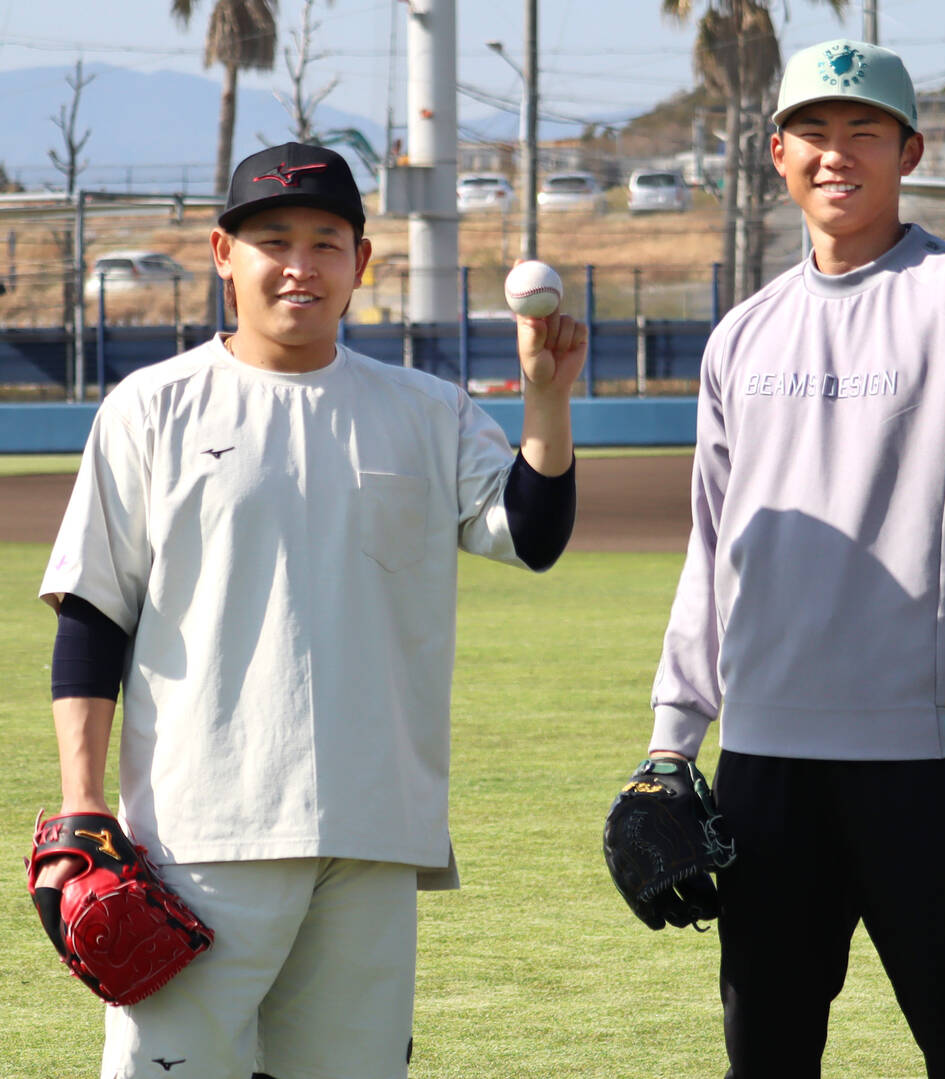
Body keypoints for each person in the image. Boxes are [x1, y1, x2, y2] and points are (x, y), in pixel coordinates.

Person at [35, 142, 585, 1079]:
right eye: (274, 240)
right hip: (199, 833)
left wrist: (545, 397)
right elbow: (93, 615)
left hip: (373, 829)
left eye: (326, 242)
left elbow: (531, 533)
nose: (301, 264)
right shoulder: (151, 408)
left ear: (360, 262)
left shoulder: (426, 410)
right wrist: (83, 804)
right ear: (223, 253)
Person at [644, 39, 945, 1078]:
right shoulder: (742, 335)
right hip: (765, 764)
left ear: (909, 153)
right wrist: (673, 744)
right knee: (766, 1057)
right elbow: (714, 547)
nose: (836, 153)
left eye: (864, 132)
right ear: (777, 153)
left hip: (925, 757)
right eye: (813, 131)